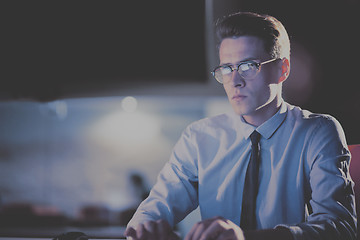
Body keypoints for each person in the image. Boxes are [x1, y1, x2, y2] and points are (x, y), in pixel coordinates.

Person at [124, 12, 357, 240]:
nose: (235, 81)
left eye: (248, 66)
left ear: (283, 69)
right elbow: (157, 206)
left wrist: (247, 238)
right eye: (226, 68)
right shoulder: (199, 136)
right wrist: (145, 229)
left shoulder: (318, 132)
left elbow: (341, 227)